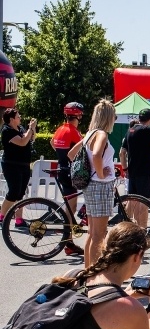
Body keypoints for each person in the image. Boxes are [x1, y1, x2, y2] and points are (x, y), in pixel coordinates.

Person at [77, 99, 117, 269]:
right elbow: (96, 154)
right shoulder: (101, 134)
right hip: (100, 186)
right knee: (99, 235)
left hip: (91, 186)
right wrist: (101, 173)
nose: (115, 119)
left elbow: (72, 154)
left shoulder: (89, 134)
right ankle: (94, 276)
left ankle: (87, 272)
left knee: (93, 234)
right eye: (114, 116)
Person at [51, 102, 86, 256]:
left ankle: (69, 240)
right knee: (71, 209)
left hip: (62, 169)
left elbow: (53, 143)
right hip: (70, 172)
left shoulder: (60, 129)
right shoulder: (74, 132)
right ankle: (68, 242)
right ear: (77, 115)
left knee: (70, 208)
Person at [0, 108, 36, 227]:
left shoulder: (20, 129)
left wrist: (32, 129)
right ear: (12, 119)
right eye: (18, 117)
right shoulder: (7, 130)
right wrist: (30, 129)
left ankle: (19, 219)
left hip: (24, 165)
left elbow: (31, 139)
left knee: (21, 193)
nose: (20, 118)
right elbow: (22, 142)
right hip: (11, 165)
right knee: (13, 191)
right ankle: (2, 215)